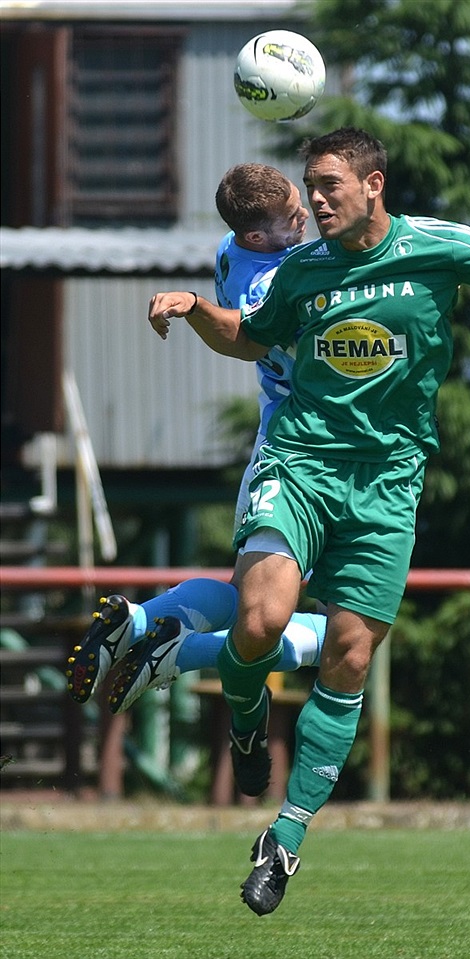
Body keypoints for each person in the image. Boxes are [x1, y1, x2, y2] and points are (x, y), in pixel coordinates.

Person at [148, 127, 470, 916]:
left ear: (373, 185)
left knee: (348, 655)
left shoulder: (436, 247)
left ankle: (285, 836)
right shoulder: (302, 270)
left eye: (329, 186)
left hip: (388, 481)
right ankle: (247, 718)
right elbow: (252, 338)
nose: (315, 201)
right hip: (301, 462)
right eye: (309, 187)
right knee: (260, 618)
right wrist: (195, 310)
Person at [67, 164, 326, 718]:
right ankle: (182, 650)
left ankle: (138, 623)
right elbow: (249, 336)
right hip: (304, 445)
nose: (307, 211)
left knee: (247, 601)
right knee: (341, 635)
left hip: (294, 441)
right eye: (292, 214)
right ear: (257, 236)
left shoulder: (234, 248)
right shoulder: (274, 281)